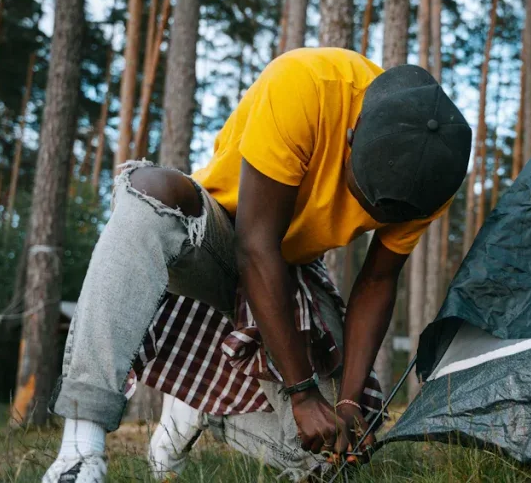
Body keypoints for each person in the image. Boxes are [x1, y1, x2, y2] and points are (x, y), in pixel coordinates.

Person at [43, 47, 472, 483]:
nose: (371, 214)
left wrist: (346, 403)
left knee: (333, 463)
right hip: (219, 237)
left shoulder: (434, 172)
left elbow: (378, 280)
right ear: (351, 134)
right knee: (148, 189)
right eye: (364, 197)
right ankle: (82, 449)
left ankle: (204, 412)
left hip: (293, 270)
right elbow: (255, 245)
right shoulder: (305, 85)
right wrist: (302, 392)